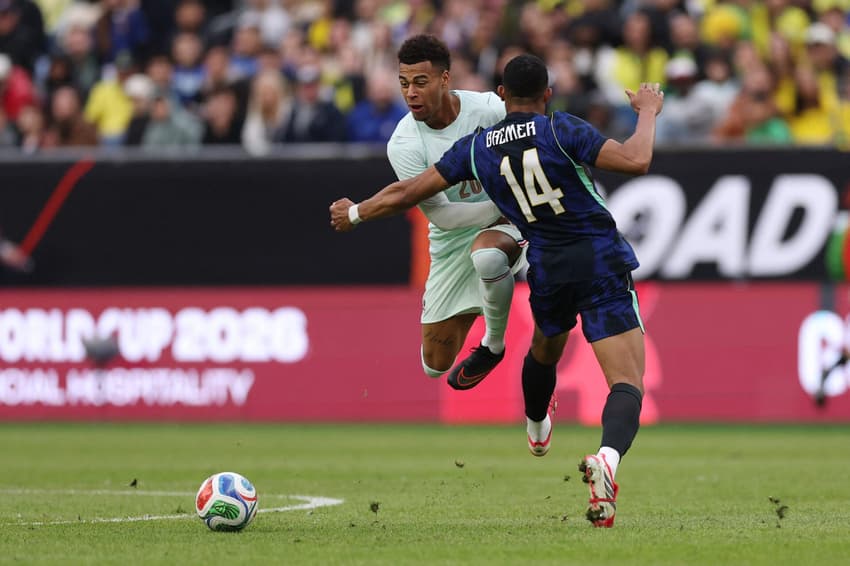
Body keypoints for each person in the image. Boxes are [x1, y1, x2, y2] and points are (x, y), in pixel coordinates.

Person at [330, 53, 664, 528]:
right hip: (598, 259)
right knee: (626, 381)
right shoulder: (560, 129)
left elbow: (408, 193)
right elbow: (637, 158)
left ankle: (535, 428)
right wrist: (647, 110)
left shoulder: (477, 146)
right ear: (547, 95)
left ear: (502, 96)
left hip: (547, 267)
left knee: (545, 350)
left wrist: (358, 212)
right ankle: (607, 458)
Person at [332, 34, 527, 391]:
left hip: (515, 222)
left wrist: (520, 207)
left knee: (488, 256)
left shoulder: (488, 109)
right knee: (435, 366)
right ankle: (487, 297)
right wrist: (500, 206)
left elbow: (535, 133)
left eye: (420, 82)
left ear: (445, 80)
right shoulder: (404, 142)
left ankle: (494, 346)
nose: (410, 93)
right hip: (454, 237)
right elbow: (443, 217)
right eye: (404, 83)